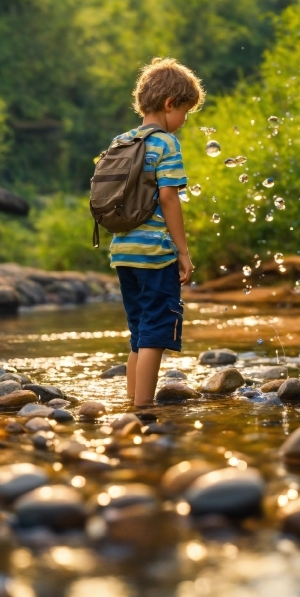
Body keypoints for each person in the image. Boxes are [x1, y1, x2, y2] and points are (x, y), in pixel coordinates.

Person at [110, 57, 205, 407]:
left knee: (139, 331)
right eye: (185, 112)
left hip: (123, 252)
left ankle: (131, 400)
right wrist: (182, 251)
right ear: (170, 105)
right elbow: (168, 196)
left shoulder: (122, 141)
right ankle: (143, 408)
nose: (183, 122)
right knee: (155, 334)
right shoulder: (165, 144)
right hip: (154, 254)